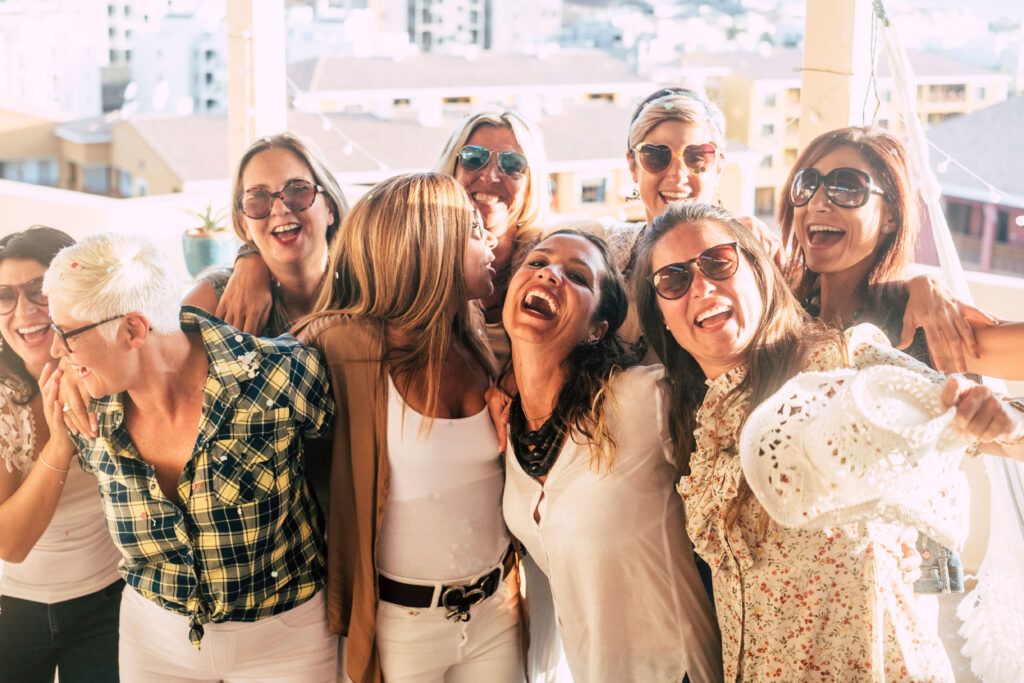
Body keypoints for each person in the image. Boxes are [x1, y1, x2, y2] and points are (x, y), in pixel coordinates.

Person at [633, 202, 1024, 681]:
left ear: (758, 272)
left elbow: (989, 431)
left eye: (718, 262)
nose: (702, 285)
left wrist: (999, 421)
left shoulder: (842, 361)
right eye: (673, 280)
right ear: (663, 317)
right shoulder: (691, 420)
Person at [43, 232, 338, 682]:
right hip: (154, 637)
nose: (55, 350)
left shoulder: (283, 375)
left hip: (286, 635)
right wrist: (74, 362)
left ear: (134, 329)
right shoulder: (89, 409)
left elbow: (348, 465)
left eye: (65, 335)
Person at [295, 172, 522, 683]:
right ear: (427, 248)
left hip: (497, 609)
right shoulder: (342, 348)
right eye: (468, 228)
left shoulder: (482, 339)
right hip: (400, 625)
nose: (487, 234)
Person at [776, 126, 1008, 593]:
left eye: (847, 187)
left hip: (906, 588)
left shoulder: (922, 325)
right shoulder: (779, 320)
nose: (819, 201)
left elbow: (1003, 435)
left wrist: (1008, 424)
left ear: (889, 217)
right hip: (798, 598)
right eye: (807, 184)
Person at [499, 228, 722, 682]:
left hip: (677, 671)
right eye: (537, 263)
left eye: (578, 276)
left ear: (597, 329)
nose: (551, 275)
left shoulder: (643, 399)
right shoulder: (507, 424)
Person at [0, 227, 123, 683]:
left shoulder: (112, 368)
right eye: (4, 296)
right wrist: (59, 441)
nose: (25, 312)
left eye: (38, 291)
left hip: (107, 602)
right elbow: (10, 543)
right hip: (10, 609)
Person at [185, 132, 350, 336]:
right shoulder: (215, 302)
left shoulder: (371, 288)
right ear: (245, 223)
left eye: (298, 189)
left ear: (330, 208)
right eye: (257, 198)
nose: (279, 209)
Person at [432, 108, 551, 362]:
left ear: (531, 185)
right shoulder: (422, 263)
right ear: (451, 171)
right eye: (474, 158)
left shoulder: (551, 267)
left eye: (512, 165)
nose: (490, 175)